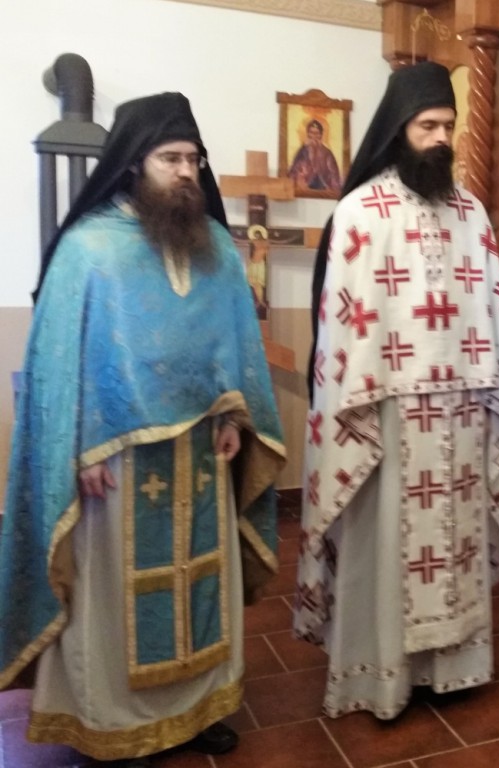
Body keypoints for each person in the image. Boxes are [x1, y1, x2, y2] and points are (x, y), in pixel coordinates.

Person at [0, 93, 286, 767]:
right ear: (133, 162)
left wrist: (233, 417)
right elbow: (60, 366)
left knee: (202, 585)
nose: (186, 171)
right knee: (115, 600)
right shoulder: (88, 249)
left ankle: (201, 708)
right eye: (170, 158)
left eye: (194, 159)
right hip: (117, 463)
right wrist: (78, 453)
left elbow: (235, 346)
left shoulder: (214, 246)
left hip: (201, 454)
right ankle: (114, 723)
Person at [297, 62, 499, 721]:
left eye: (449, 126)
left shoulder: (472, 214)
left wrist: (490, 390)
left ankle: (452, 669)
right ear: (399, 129)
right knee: (387, 547)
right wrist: (357, 403)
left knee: (455, 544)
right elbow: (340, 326)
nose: (441, 138)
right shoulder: (360, 214)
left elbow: (491, 312)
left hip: (461, 412)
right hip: (386, 414)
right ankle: (383, 676)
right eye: (428, 126)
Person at [288, 118, 342, 194]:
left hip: (323, 189)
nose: (314, 136)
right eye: (312, 133)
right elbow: (294, 172)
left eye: (317, 133)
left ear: (321, 135)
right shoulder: (302, 151)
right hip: (304, 188)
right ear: (308, 134)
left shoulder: (327, 153)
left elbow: (334, 175)